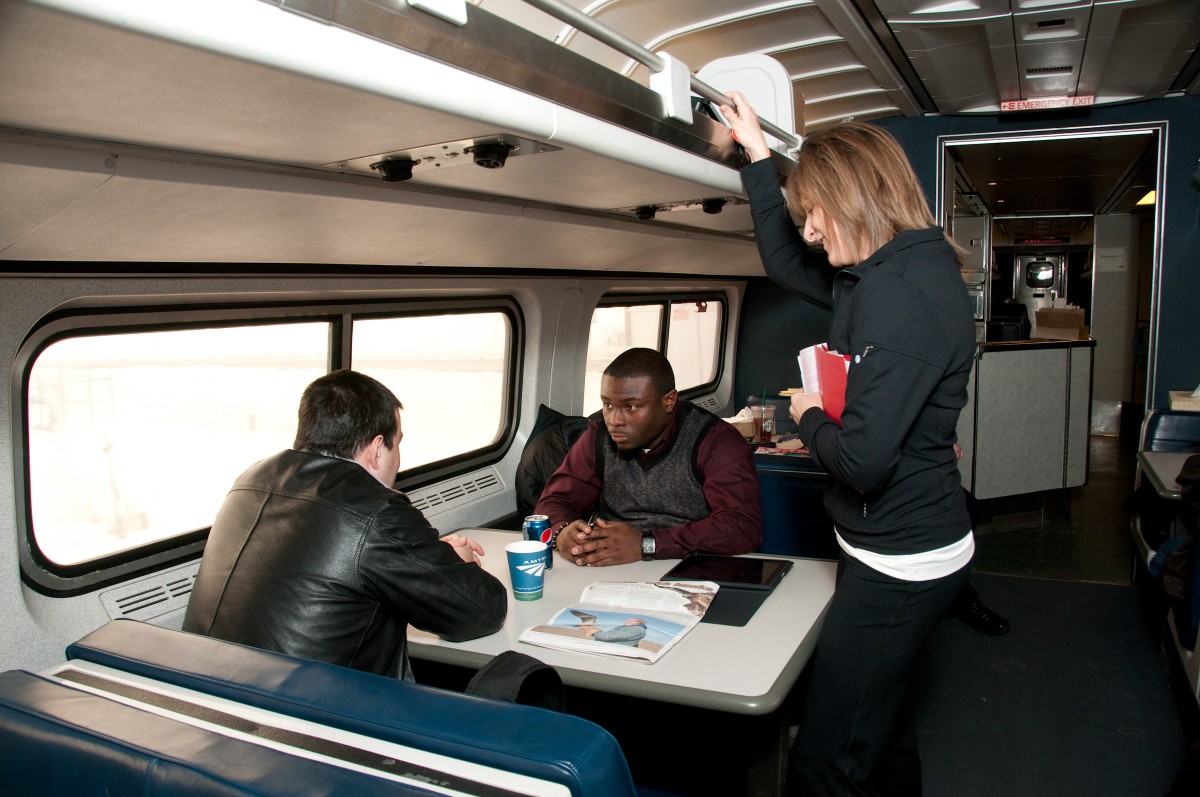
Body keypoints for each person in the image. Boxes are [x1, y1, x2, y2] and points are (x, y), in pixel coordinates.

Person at [722, 92, 977, 794]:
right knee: (884, 728)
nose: (806, 231)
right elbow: (782, 260)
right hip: (887, 544)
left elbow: (864, 460)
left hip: (904, 561)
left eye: (813, 212)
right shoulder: (873, 277)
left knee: (826, 758)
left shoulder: (906, 296)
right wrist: (758, 157)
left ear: (850, 198)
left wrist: (805, 411)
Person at [183, 369, 507, 680]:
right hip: (309, 715)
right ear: (377, 449)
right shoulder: (374, 507)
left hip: (205, 692)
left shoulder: (249, 480)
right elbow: (481, 612)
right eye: (398, 443)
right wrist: (461, 565)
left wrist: (431, 558)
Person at [535, 347, 763, 566]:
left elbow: (741, 527)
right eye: (608, 404)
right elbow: (554, 502)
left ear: (669, 401)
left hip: (694, 565)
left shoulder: (716, 441)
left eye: (631, 407)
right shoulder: (597, 437)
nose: (614, 420)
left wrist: (647, 544)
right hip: (613, 565)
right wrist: (561, 531)